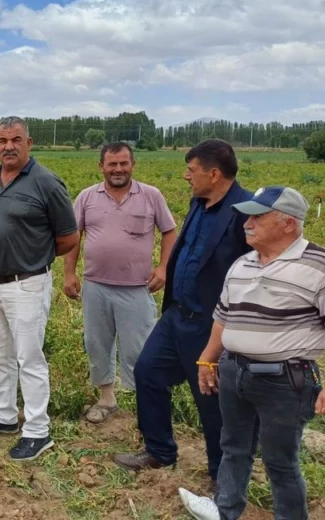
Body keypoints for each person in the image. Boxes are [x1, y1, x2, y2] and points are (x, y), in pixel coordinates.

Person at [176, 186, 325, 520]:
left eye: (257, 217)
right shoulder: (242, 264)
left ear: (288, 223)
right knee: (233, 447)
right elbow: (223, 317)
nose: (247, 223)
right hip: (234, 372)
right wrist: (208, 358)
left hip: (285, 380)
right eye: (247, 216)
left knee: (280, 462)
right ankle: (225, 509)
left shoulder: (321, 265)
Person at [114, 139, 253, 491]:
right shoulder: (199, 202)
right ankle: (159, 450)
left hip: (211, 325)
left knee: (210, 400)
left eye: (191, 170)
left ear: (214, 173)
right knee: (147, 373)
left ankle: (222, 475)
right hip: (177, 314)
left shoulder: (245, 210)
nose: (186, 176)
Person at [0, 116, 79, 461]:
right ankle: (3, 415)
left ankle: (37, 430)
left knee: (29, 358)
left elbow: (69, 237)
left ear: (29, 143)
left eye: (16, 139)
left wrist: (35, 257)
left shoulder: (46, 182)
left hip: (27, 283)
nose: (9, 146)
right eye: (2, 140)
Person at [64, 142, 178, 424]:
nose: (118, 169)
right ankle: (106, 399)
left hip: (137, 288)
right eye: (112, 164)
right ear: (101, 166)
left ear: (133, 165)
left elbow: (170, 232)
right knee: (97, 344)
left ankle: (146, 406)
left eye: (123, 163)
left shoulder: (151, 196)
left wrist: (164, 268)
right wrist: (69, 273)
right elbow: (73, 236)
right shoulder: (87, 197)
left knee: (140, 349)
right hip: (96, 286)